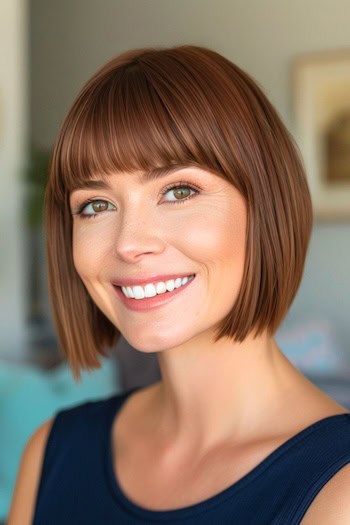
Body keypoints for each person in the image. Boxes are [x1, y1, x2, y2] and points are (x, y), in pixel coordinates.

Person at [7, 45, 350, 525]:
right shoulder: (52, 452)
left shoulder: (339, 491)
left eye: (178, 191)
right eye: (96, 205)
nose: (128, 244)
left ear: (266, 206)